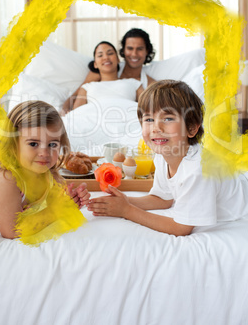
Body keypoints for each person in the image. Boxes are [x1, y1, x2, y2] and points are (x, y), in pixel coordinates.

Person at [88, 80, 248, 236]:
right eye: (149, 119)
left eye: (168, 119)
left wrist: (127, 210)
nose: (156, 128)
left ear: (191, 128)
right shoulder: (163, 156)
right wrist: (126, 201)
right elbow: (163, 198)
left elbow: (181, 228)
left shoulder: (197, 170)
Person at [0, 100, 90, 239]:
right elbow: (12, 231)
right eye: (33, 143)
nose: (45, 153)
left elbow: (54, 204)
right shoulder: (6, 179)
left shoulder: (49, 173)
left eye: (52, 144)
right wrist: (57, 210)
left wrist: (72, 200)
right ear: (13, 144)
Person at [60, 28, 155, 115]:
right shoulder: (105, 68)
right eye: (130, 48)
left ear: (147, 51)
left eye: (140, 49)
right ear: (123, 51)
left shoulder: (142, 84)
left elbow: (149, 109)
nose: (134, 54)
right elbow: (78, 98)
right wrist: (65, 109)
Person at [72, 41, 144, 110]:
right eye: (100, 55)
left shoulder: (134, 84)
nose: (106, 57)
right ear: (95, 64)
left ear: (118, 59)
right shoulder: (87, 87)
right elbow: (76, 114)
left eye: (110, 53)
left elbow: (148, 107)